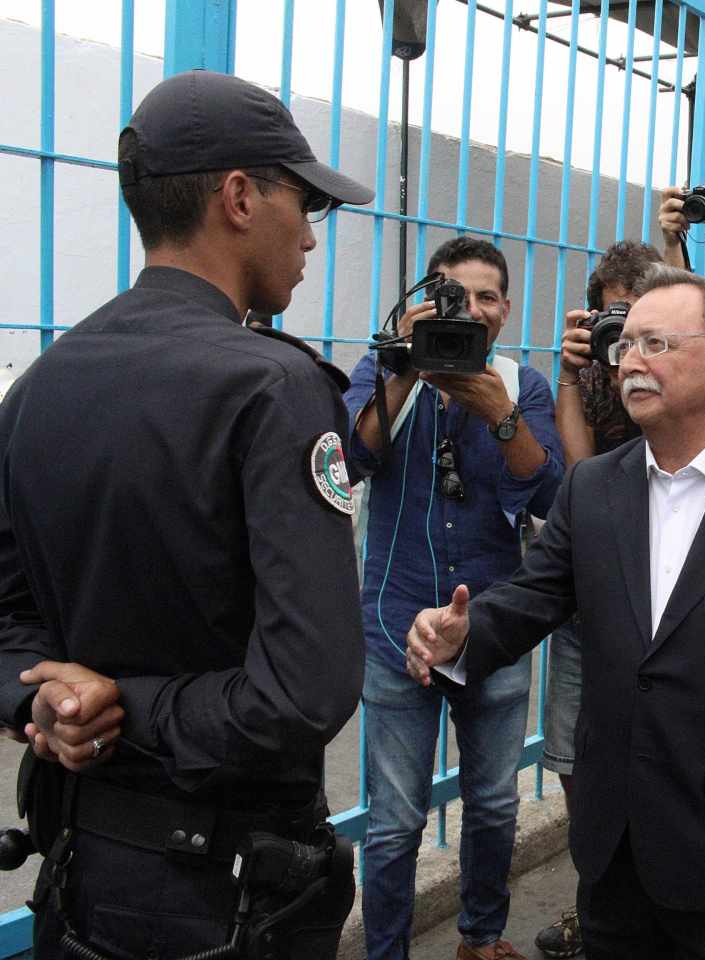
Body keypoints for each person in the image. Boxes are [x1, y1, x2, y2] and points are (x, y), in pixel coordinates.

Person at [0, 69, 373, 958]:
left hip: (82, 879)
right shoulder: (273, 388)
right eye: (304, 204)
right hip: (231, 898)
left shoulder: (38, 390)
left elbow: (5, 626)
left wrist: (48, 705)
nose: (311, 240)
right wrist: (115, 703)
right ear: (240, 197)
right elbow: (304, 691)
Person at [405, 265, 705, 960]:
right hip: (613, 843)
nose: (632, 364)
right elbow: (534, 597)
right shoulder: (593, 488)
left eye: (657, 344)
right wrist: (462, 637)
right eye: (627, 347)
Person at [345, 237, 565, 960]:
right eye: (451, 297)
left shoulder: (520, 383)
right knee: (394, 822)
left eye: (486, 298)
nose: (469, 311)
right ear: (418, 304)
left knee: (496, 804)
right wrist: (406, 371)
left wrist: (500, 414)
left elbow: (548, 495)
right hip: (392, 625)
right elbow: (351, 460)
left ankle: (480, 937)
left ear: (505, 311)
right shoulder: (383, 367)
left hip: (493, 630)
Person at [534, 238, 660, 959]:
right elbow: (578, 471)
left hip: (661, 603)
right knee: (574, 757)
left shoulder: (670, 373)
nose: (626, 336)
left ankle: (649, 905)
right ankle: (597, 902)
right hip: (591, 596)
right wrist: (570, 371)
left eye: (638, 316)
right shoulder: (588, 369)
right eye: (614, 315)